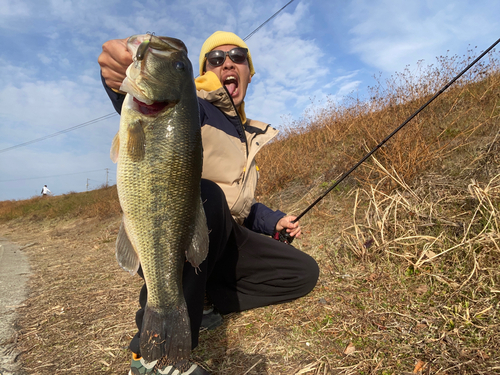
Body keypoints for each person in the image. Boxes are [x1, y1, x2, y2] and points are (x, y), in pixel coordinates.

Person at [98, 31, 319, 375]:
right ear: (203, 72)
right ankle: (154, 354)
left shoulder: (247, 131)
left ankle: (202, 300)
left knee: (302, 274)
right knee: (209, 195)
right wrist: (116, 80)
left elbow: (242, 200)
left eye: (237, 56)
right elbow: (147, 105)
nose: (228, 63)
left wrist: (273, 220)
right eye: (216, 59)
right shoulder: (193, 105)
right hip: (185, 231)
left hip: (225, 234)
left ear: (249, 70)